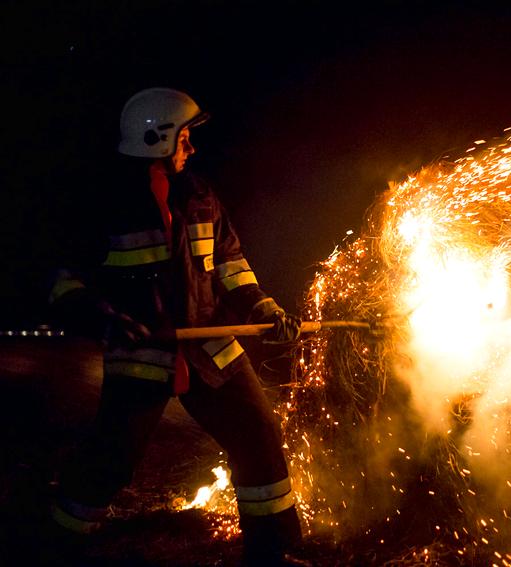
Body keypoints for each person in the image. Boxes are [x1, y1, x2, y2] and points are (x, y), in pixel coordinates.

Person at [47, 87, 304, 565]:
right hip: (143, 352)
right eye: (184, 139)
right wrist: (104, 319)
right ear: (155, 139)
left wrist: (263, 310)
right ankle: (58, 542)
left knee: (259, 433)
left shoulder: (200, 193)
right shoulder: (105, 204)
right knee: (111, 458)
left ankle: (274, 549)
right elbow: (65, 282)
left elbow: (231, 266)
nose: (192, 148)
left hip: (211, 344)